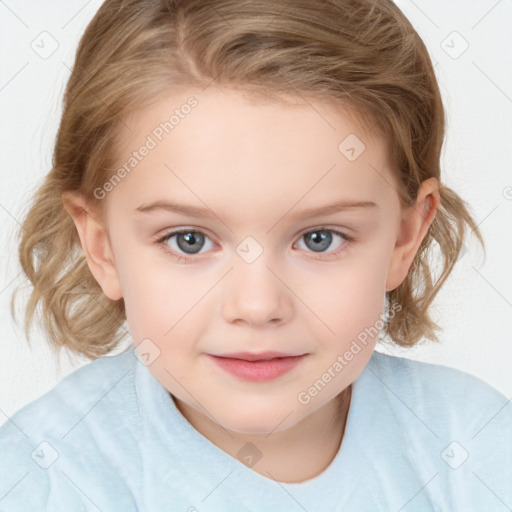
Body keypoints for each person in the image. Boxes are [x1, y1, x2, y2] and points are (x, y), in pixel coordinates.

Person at [1, 0, 510, 510]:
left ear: (405, 238)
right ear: (102, 246)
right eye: (189, 240)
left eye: (320, 238)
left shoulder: (477, 452)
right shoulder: (43, 479)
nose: (257, 304)